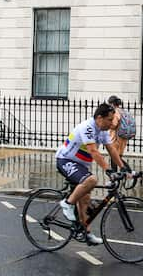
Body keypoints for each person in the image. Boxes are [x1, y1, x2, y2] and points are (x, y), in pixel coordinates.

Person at [55, 103, 126, 245]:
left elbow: (111, 149)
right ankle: (67, 203)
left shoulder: (103, 130)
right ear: (99, 118)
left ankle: (85, 233)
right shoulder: (87, 127)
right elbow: (93, 151)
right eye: (109, 120)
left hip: (80, 165)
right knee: (92, 180)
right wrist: (108, 171)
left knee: (85, 200)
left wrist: (124, 169)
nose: (112, 123)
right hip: (65, 160)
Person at [106, 95, 136, 170]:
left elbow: (114, 125)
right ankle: (123, 174)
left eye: (109, 104)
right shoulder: (123, 111)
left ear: (112, 104)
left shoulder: (115, 112)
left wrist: (106, 124)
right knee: (118, 156)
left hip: (116, 137)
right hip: (123, 137)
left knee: (114, 157)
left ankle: (126, 173)